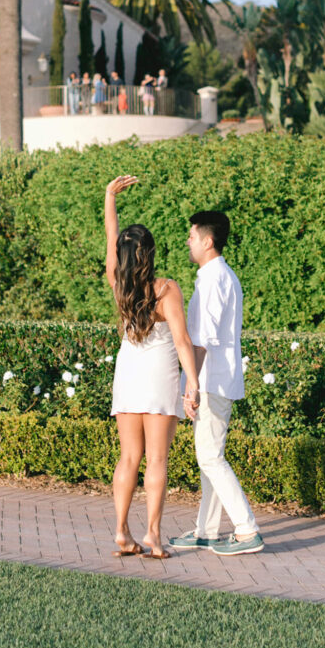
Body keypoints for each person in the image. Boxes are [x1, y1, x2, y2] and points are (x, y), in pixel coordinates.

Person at [105, 175, 200, 559]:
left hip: (128, 375)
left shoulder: (118, 283)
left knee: (128, 457)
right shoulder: (166, 289)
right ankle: (153, 536)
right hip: (160, 377)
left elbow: (111, 242)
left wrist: (109, 197)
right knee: (157, 459)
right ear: (150, 254)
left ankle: (121, 531)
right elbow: (181, 341)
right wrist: (192, 383)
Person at [169, 210, 264, 556]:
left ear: (208, 241)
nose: (188, 241)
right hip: (215, 379)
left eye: (192, 236)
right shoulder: (220, 275)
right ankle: (207, 532)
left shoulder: (213, 278)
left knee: (210, 458)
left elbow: (202, 339)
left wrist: (190, 385)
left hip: (210, 380)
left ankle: (246, 529)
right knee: (210, 456)